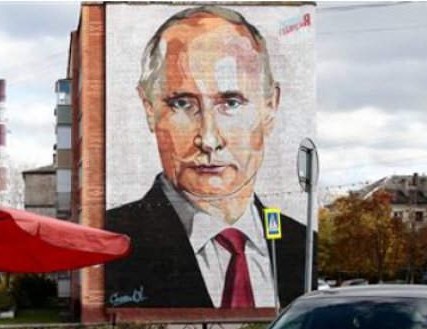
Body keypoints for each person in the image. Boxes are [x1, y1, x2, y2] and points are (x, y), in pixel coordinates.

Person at [105, 6, 311, 309]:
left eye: (231, 102)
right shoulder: (113, 243)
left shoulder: (303, 244)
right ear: (149, 109)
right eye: (182, 103)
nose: (209, 139)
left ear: (270, 107)